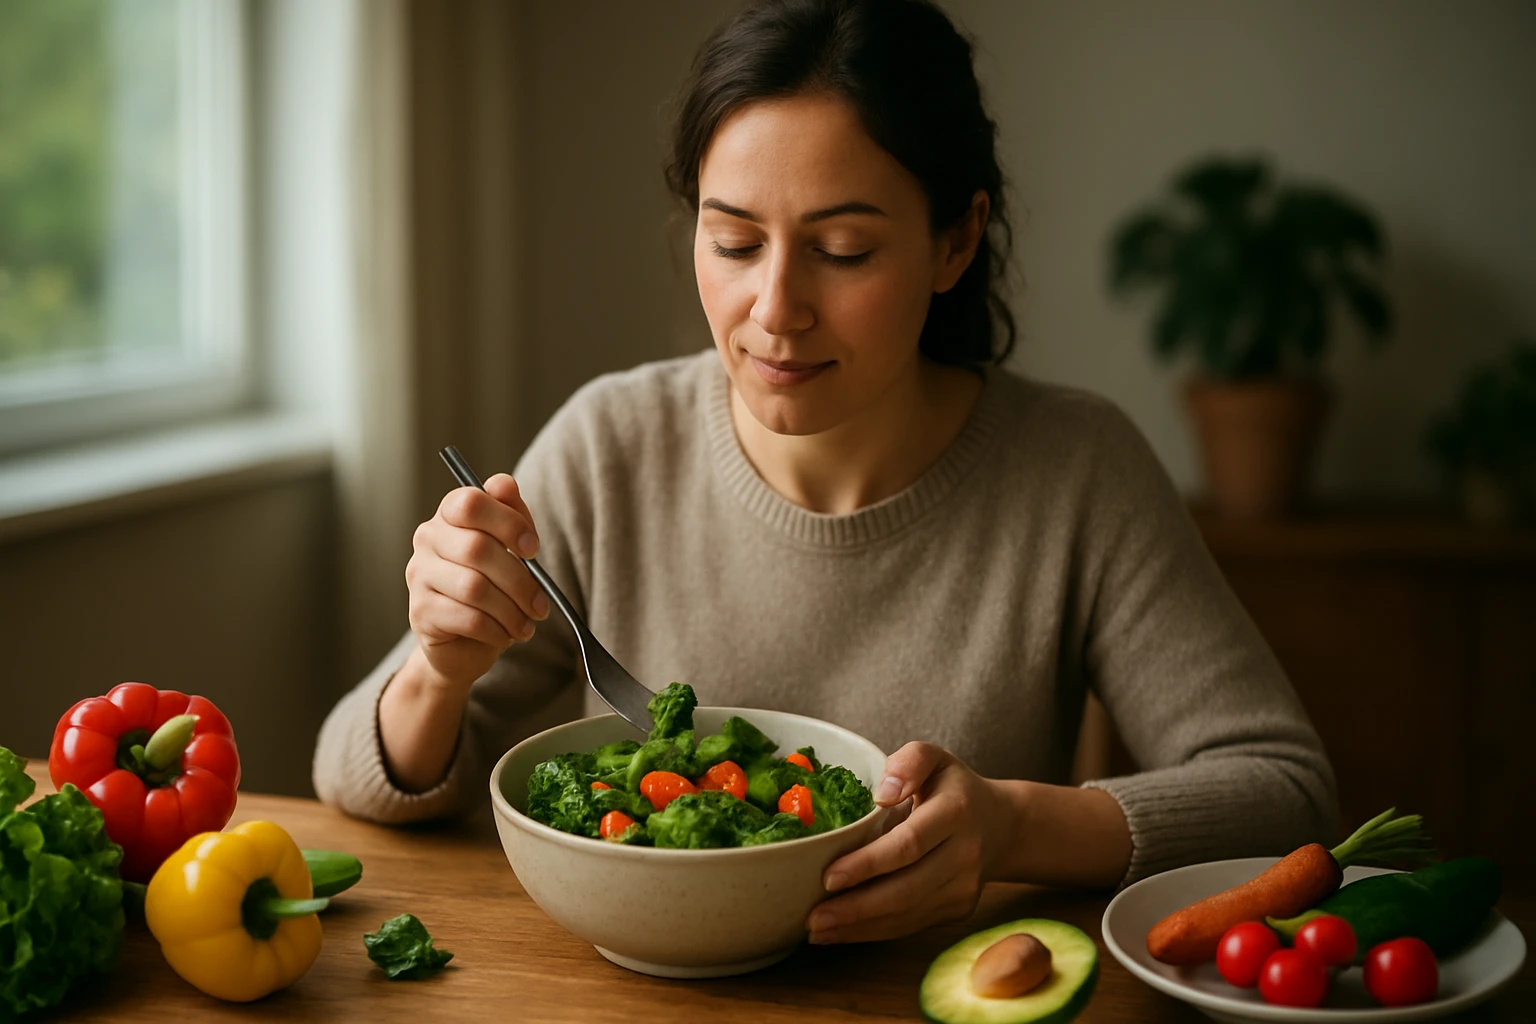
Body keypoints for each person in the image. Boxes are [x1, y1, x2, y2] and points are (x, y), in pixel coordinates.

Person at [314, 0, 1337, 946]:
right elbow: (355, 776)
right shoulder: (611, 443)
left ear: (955, 241)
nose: (775, 309)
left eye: (843, 250)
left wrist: (1015, 826)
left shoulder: (1076, 469)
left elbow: (1286, 791)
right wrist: (439, 669)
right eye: (734, 242)